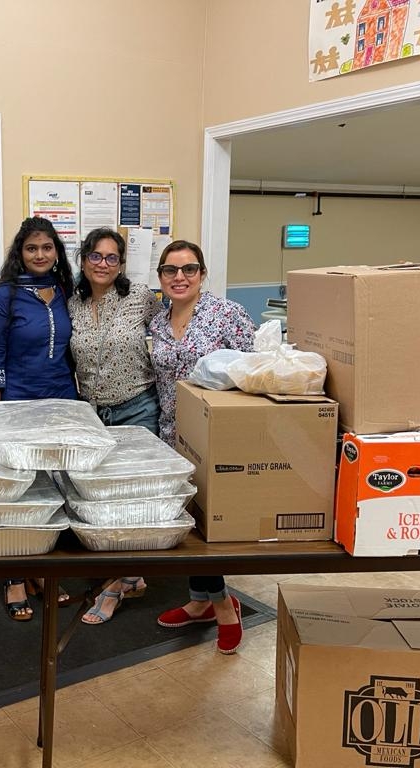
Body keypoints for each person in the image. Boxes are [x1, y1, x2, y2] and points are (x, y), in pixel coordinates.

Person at [149, 239, 256, 654]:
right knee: (188, 522)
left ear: (202, 273)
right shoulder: (157, 321)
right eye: (170, 270)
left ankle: (223, 606)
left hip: (216, 435)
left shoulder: (226, 314)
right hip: (171, 433)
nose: (179, 277)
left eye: (189, 269)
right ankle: (199, 601)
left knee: (208, 526)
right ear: (160, 276)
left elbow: (254, 371)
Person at [0, 216, 76, 621]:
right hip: (16, 404)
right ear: (20, 252)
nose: (40, 255)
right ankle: (14, 576)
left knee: (52, 489)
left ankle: (42, 570)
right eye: (32, 248)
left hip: (60, 401)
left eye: (47, 247)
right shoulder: (6, 296)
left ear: (56, 252)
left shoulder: (64, 290)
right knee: (18, 492)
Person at [68, 227, 161, 624]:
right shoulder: (72, 302)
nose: (103, 264)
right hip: (93, 415)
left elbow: (169, 333)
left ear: (121, 264)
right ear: (83, 258)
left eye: (111, 258)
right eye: (95, 256)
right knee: (105, 500)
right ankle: (130, 574)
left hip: (137, 408)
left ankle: (115, 586)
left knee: (133, 499)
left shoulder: (140, 297)